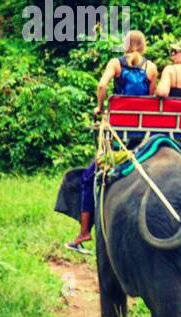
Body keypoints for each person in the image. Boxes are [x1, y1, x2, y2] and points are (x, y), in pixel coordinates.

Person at [66, 31, 156, 254]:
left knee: (90, 177)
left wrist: (100, 107)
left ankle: (84, 232)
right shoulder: (151, 68)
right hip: (142, 135)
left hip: (118, 135)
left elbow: (101, 86)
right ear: (143, 46)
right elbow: (153, 100)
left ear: (125, 45)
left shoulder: (116, 64)